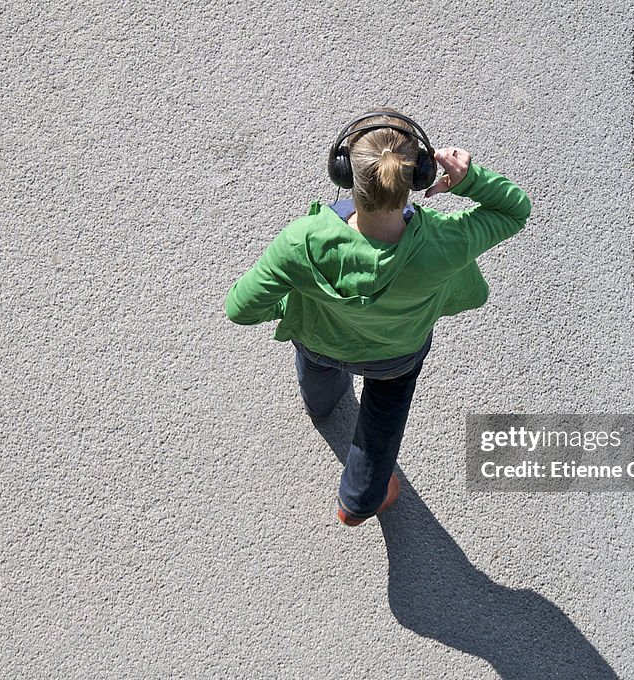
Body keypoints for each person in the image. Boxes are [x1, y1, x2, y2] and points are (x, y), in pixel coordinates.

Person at [225, 109, 532, 526]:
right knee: (382, 424)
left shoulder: (303, 240)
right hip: (397, 355)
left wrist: (292, 306)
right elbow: (515, 211)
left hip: (320, 343)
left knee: (318, 376)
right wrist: (470, 179)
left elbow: (240, 309)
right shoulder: (446, 239)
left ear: (343, 172)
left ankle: (322, 406)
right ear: (419, 175)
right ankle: (358, 502)